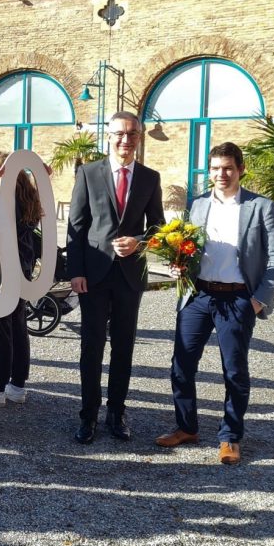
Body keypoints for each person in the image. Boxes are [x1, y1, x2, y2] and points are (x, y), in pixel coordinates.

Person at [155, 142, 274, 464]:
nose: (221, 174)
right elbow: (189, 249)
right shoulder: (198, 205)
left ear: (240, 170)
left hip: (238, 298)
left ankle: (230, 436)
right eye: (215, 168)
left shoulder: (260, 207)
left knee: (234, 370)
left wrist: (258, 300)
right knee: (181, 365)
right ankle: (186, 427)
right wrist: (179, 266)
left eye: (228, 168)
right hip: (198, 295)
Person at [67, 111, 165, 444]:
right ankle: (88, 415)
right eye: (120, 134)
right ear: (109, 136)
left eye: (133, 134)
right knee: (91, 347)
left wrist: (139, 240)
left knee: (124, 347)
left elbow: (159, 228)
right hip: (93, 275)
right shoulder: (88, 173)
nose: (126, 140)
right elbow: (76, 227)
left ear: (140, 137)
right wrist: (75, 271)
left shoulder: (150, 178)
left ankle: (116, 412)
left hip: (129, 276)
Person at [0, 170, 41, 407]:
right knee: (17, 325)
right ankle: (17, 385)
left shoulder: (3, 199)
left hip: (1, 266)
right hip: (22, 265)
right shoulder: (27, 197)